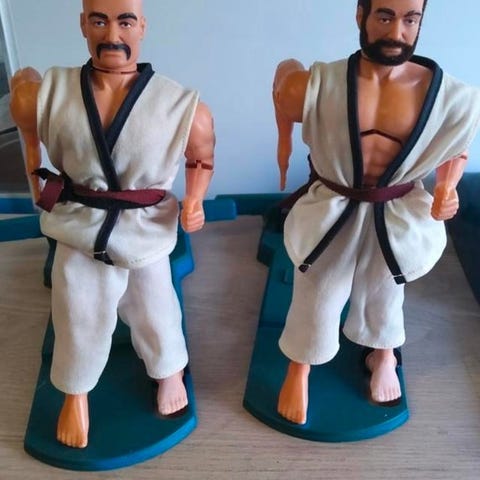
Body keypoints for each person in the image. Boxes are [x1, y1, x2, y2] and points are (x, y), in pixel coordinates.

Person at [9, 0, 215, 448]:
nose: (112, 35)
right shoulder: (55, 91)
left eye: (125, 21)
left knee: (155, 304)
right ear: (83, 24)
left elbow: (200, 155)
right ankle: (76, 392)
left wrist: (195, 202)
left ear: (142, 26)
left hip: (143, 226)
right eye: (99, 21)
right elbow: (30, 134)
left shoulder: (177, 103)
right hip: (80, 222)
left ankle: (169, 370)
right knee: (76, 307)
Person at [272, 0, 480, 425]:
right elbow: (284, 88)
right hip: (334, 204)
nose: (397, 32)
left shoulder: (447, 96)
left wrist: (447, 187)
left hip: (397, 208)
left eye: (410, 20)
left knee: (385, 289)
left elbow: (455, 145)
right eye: (385, 17)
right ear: (361, 15)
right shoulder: (323, 83)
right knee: (318, 286)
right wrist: (284, 141)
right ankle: (300, 366)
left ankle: (383, 354)